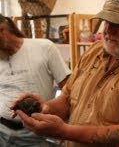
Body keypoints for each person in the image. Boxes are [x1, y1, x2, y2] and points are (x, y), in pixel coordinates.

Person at [12, 0, 119, 147]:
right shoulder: (95, 51)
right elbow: (67, 99)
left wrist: (63, 131)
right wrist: (45, 108)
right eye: (106, 22)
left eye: (118, 24)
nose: (108, 31)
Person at [0, 14, 71, 146]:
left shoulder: (44, 48)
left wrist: (66, 129)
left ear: (2, 30)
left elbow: (71, 90)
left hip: (35, 134)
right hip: (2, 132)